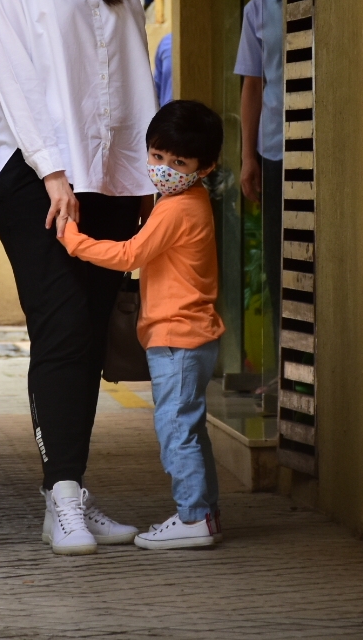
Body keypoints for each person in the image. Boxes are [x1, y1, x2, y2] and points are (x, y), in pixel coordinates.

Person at [0, 0, 157, 555]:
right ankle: (63, 496)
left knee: (86, 338)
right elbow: (12, 81)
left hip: (108, 179)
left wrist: (146, 181)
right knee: (64, 328)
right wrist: (52, 173)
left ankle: (70, 490)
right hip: (32, 177)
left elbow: (134, 80)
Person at [58, 100, 225, 550]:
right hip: (193, 337)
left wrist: (74, 241)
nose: (163, 168)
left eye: (178, 162)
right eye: (157, 156)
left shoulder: (175, 209)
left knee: (176, 430)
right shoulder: (190, 199)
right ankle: (205, 514)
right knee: (191, 428)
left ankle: (192, 519)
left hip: (176, 338)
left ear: (205, 167)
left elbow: (128, 255)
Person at [236, 0, 284, 348]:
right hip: (273, 153)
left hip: (325, 154)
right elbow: (252, 87)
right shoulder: (258, 9)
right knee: (278, 263)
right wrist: (248, 157)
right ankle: (291, 371)